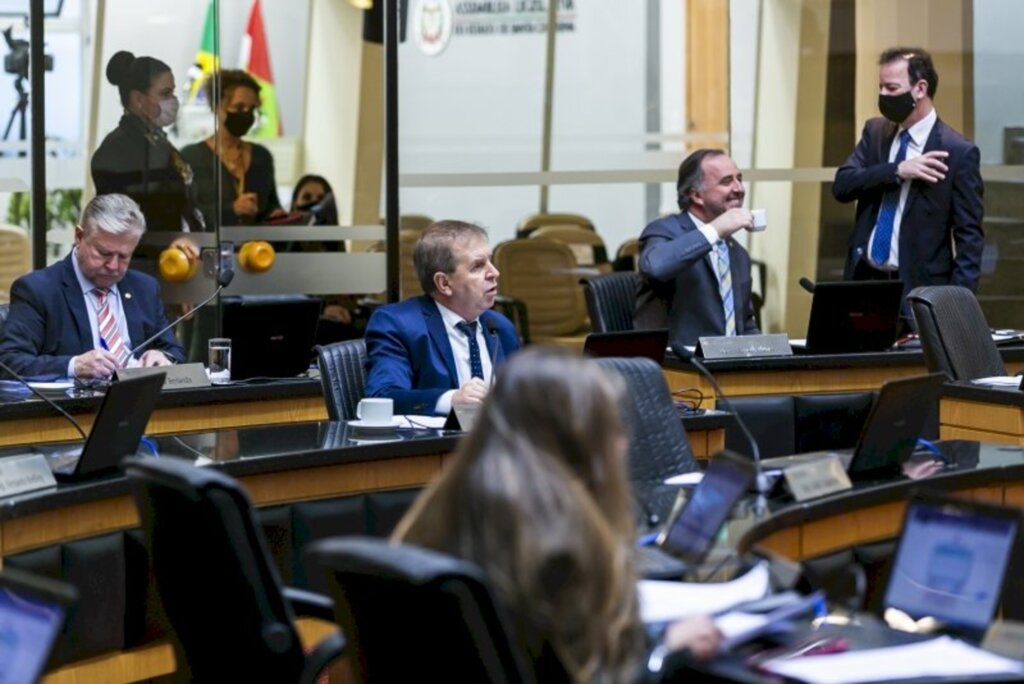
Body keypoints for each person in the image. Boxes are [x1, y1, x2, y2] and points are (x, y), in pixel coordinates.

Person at [394, 347, 722, 681]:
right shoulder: (556, 539)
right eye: (612, 427)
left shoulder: (446, 500)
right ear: (575, 437)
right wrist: (669, 646)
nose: (623, 444)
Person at [833, 47, 984, 294]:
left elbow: (970, 240)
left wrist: (955, 305)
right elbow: (842, 185)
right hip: (866, 281)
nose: (883, 95)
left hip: (920, 290)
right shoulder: (876, 133)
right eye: (880, 87)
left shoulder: (957, 152)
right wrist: (896, 170)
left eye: (891, 88)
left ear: (920, 89)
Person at [0, 194, 185, 379]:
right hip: (77, 406)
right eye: (104, 253)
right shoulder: (38, 290)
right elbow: (9, 362)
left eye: (123, 257)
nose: (113, 266)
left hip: (138, 400)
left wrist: (163, 357)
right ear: (79, 237)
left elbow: (174, 351)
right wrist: (74, 366)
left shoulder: (144, 288)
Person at [364, 220, 519, 415]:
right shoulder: (399, 324)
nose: (495, 273)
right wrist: (451, 399)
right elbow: (382, 397)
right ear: (444, 283)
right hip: (434, 444)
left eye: (491, 261)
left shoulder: (500, 327)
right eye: (478, 266)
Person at [635, 149, 761, 349]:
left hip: (730, 369)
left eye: (739, 179)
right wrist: (715, 230)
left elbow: (744, 324)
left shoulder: (737, 253)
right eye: (727, 181)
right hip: (678, 368)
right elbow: (655, 266)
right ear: (696, 195)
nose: (739, 188)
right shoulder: (664, 231)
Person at [91, 51, 205, 239]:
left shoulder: (158, 141)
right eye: (165, 93)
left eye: (172, 92)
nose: (173, 101)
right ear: (138, 100)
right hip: (147, 257)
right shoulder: (117, 149)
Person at [181, 70, 285, 228]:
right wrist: (231, 210)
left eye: (252, 109)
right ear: (217, 107)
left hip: (257, 249)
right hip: (209, 249)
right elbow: (185, 215)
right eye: (239, 107)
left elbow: (271, 206)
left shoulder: (261, 156)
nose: (246, 114)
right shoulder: (190, 157)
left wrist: (277, 216)